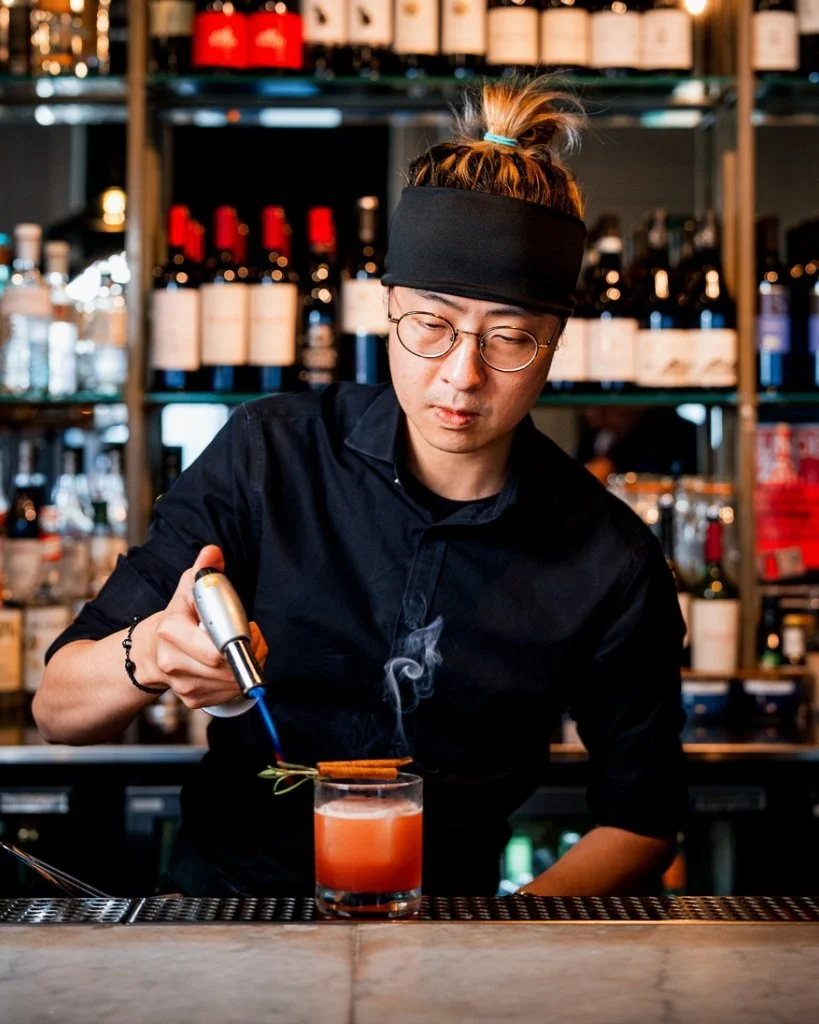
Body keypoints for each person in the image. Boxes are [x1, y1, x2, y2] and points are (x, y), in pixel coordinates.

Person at [34, 78, 686, 898]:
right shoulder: (270, 454)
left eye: (509, 337)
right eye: (430, 324)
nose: (460, 374)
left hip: (447, 948)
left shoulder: (608, 559)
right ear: (387, 309)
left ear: (555, 344)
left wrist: (500, 943)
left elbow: (642, 818)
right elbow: (57, 707)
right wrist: (152, 653)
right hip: (220, 926)